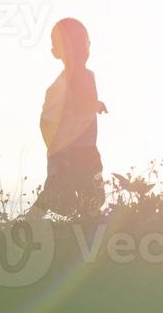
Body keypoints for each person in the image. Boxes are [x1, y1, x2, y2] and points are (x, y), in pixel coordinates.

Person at [30, 18, 107, 219]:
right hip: (67, 147)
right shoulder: (64, 83)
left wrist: (92, 104)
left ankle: (86, 221)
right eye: (73, 44)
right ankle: (37, 214)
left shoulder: (87, 75)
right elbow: (77, 103)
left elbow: (80, 101)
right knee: (63, 191)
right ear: (58, 52)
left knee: (91, 190)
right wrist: (93, 104)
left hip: (84, 146)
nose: (80, 50)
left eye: (83, 43)